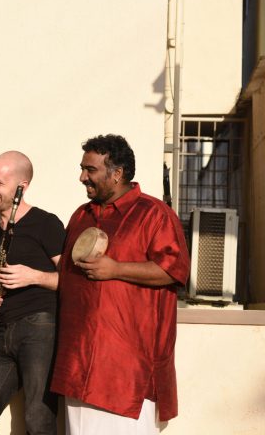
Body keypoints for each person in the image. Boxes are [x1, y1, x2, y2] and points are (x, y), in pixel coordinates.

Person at [50, 135, 190, 435]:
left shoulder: (154, 214)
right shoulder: (82, 215)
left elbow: (174, 270)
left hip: (125, 369)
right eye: (82, 168)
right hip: (77, 363)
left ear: (117, 173)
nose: (82, 177)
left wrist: (116, 269)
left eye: (91, 170)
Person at [0, 151, 64, 435]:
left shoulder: (46, 223)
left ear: (22, 186)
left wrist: (35, 276)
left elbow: (73, 281)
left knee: (38, 420)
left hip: (39, 328)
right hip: (0, 333)